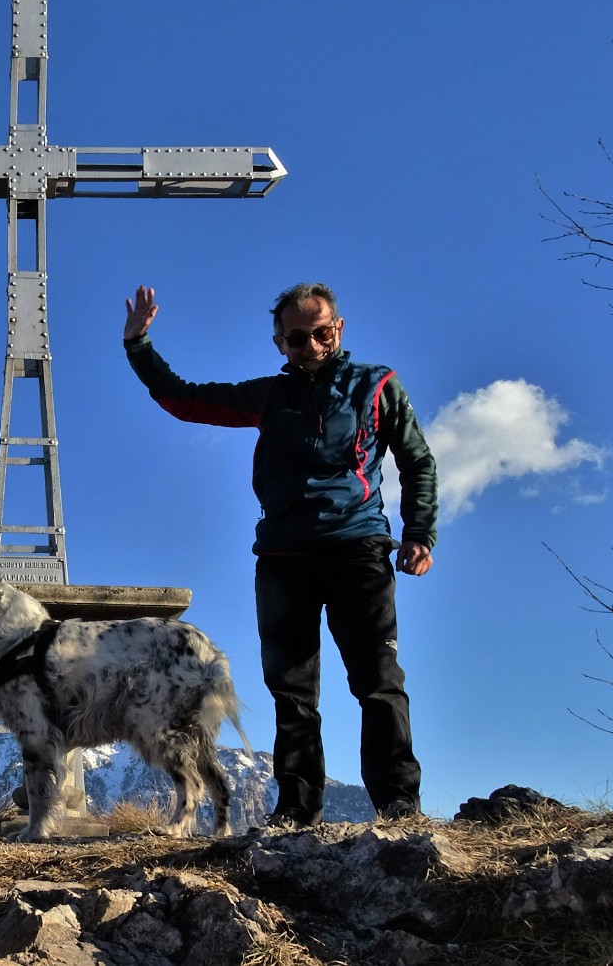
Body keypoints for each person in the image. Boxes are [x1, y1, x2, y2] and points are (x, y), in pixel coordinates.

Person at [122, 282, 437, 826]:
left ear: (338, 329)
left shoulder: (377, 385)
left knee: (377, 679)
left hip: (357, 547)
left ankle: (398, 803)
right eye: (297, 338)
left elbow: (418, 461)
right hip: (283, 555)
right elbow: (186, 399)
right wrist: (138, 346)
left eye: (321, 333)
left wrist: (419, 534)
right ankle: (296, 808)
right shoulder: (270, 395)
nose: (311, 345)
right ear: (279, 343)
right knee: (291, 690)